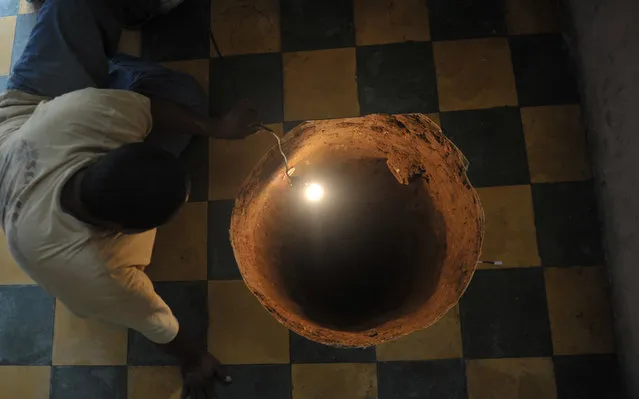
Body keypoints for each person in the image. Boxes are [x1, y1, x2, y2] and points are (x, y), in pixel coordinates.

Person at [0, 0, 259, 397]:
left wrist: (218, 129)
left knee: (72, 8)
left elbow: (147, 113)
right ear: (119, 230)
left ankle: (99, 65)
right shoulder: (95, 275)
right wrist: (192, 358)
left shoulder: (80, 116)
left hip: (27, 119)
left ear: (110, 151)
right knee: (185, 96)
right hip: (37, 133)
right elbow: (156, 322)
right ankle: (107, 69)